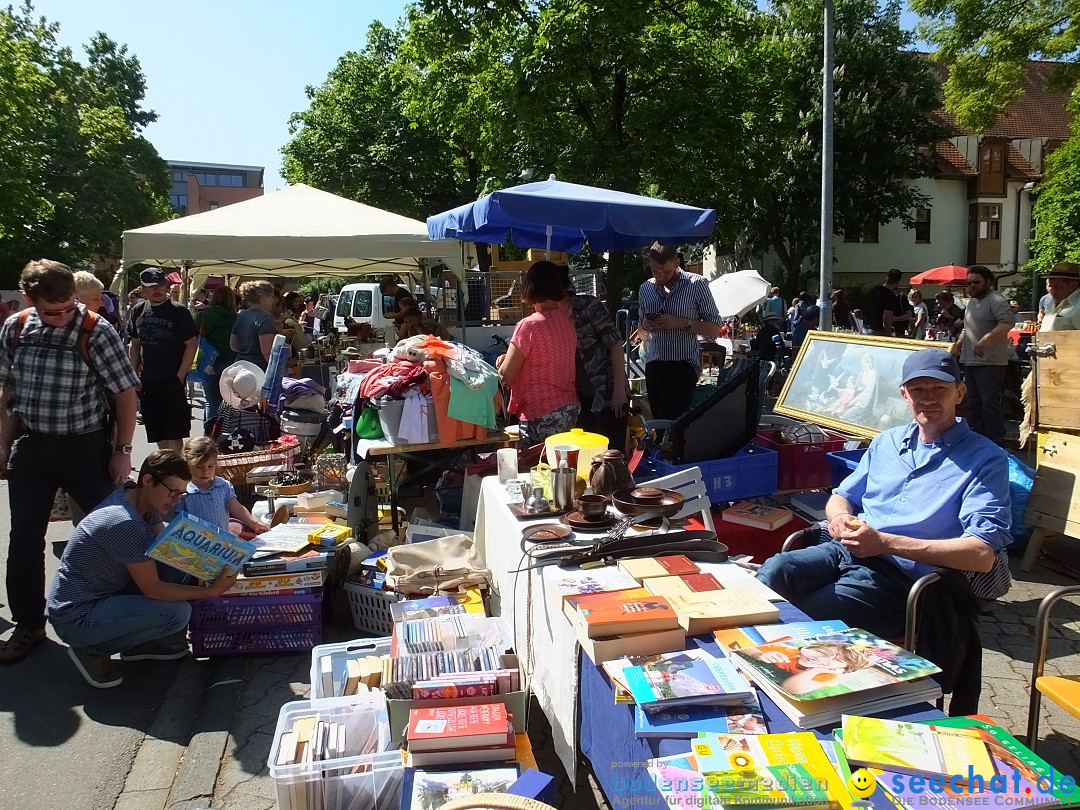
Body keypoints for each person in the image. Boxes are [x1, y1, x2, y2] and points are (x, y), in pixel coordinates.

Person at [757, 347, 1011, 637]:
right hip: (846, 552)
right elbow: (842, 496)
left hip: (905, 580)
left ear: (960, 393)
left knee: (804, 615)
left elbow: (981, 555)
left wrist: (884, 543)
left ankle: (776, 667)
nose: (928, 399)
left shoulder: (986, 458)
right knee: (774, 572)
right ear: (905, 395)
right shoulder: (887, 441)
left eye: (939, 389)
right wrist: (839, 518)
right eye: (918, 390)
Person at [0, 259, 139, 663]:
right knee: (24, 539)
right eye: (51, 311)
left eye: (67, 308)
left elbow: (125, 394)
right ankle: (28, 624)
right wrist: (3, 446)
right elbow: (8, 392)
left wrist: (122, 451)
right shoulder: (16, 328)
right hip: (34, 444)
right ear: (30, 301)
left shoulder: (96, 330)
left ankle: (123, 618)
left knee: (115, 530)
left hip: (85, 447)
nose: (62, 317)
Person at [46, 451, 240, 688]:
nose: (177, 501)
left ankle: (135, 641)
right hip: (77, 616)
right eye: (173, 492)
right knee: (177, 614)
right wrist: (211, 591)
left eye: (182, 493)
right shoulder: (124, 522)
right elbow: (154, 589)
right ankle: (92, 650)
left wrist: (219, 555)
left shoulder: (136, 497)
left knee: (178, 566)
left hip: (105, 593)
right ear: (148, 481)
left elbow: (171, 546)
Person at [636, 241, 723, 419]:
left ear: (677, 263)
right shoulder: (645, 289)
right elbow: (642, 335)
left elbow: (715, 329)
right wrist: (645, 325)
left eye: (666, 271)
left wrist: (681, 322)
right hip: (654, 365)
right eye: (654, 270)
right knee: (660, 425)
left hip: (682, 365)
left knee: (671, 426)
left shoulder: (696, 284)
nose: (660, 276)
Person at [498, 260, 579, 446]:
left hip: (540, 411)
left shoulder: (529, 325)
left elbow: (505, 376)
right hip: (569, 409)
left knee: (537, 471)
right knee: (560, 469)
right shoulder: (566, 323)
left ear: (530, 287)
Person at [127, 267, 198, 452]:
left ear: (166, 286)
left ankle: (175, 470)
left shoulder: (178, 311)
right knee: (157, 432)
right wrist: (133, 374)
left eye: (160, 285)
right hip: (148, 381)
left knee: (174, 432)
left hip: (171, 380)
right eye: (151, 287)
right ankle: (165, 469)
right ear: (143, 289)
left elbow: (191, 344)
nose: (157, 290)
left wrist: (180, 376)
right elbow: (134, 344)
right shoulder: (138, 310)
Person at [559, 267, 629, 448]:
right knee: (585, 457)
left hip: (607, 394)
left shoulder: (589, 306)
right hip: (579, 399)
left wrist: (619, 391)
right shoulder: (551, 318)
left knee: (612, 454)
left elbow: (615, 345)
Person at [954, 265, 1014, 445]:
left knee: (989, 404)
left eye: (976, 282)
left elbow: (1007, 322)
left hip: (991, 363)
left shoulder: (996, 300)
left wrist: (986, 338)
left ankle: (995, 443)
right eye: (969, 283)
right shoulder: (971, 302)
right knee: (972, 404)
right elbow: (968, 327)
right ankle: (977, 441)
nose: (971, 286)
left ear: (989, 282)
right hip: (970, 361)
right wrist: (958, 344)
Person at [180, 438, 269, 532]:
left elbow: (236, 508)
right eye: (199, 467)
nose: (205, 471)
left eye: (210, 466)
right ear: (187, 465)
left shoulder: (222, 486)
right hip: (194, 542)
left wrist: (254, 524)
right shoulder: (184, 492)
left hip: (221, 542)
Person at [193, 286, 238, 422]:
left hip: (208, 361)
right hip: (230, 362)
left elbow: (191, 336)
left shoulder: (203, 315)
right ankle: (224, 432)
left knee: (210, 401)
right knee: (228, 402)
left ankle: (210, 434)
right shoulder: (236, 318)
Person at [230, 280, 277, 369]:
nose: (273, 300)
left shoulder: (241, 315)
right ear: (264, 297)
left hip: (240, 367)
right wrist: (276, 369)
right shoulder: (265, 319)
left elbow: (233, 345)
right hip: (258, 370)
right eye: (272, 296)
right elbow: (267, 352)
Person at [1039, 262, 1080, 332]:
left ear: (1074, 285)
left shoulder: (1078, 305)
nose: (1052, 291)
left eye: (1058, 287)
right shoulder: (1056, 301)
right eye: (1050, 286)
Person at [862, 269, 904, 336]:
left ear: (887, 278)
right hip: (877, 330)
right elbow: (887, 320)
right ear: (898, 282)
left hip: (865, 327)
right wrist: (888, 336)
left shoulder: (873, 290)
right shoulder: (890, 296)